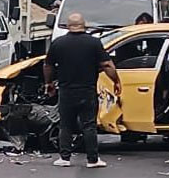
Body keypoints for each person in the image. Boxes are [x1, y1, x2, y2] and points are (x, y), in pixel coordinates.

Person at [44, 13, 122, 169]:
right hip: (87, 91)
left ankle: (64, 158)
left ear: (68, 26)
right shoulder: (94, 43)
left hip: (66, 91)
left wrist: (49, 83)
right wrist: (116, 80)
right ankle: (92, 160)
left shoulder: (58, 43)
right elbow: (107, 64)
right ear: (83, 26)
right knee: (89, 125)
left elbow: (48, 65)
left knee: (66, 125)